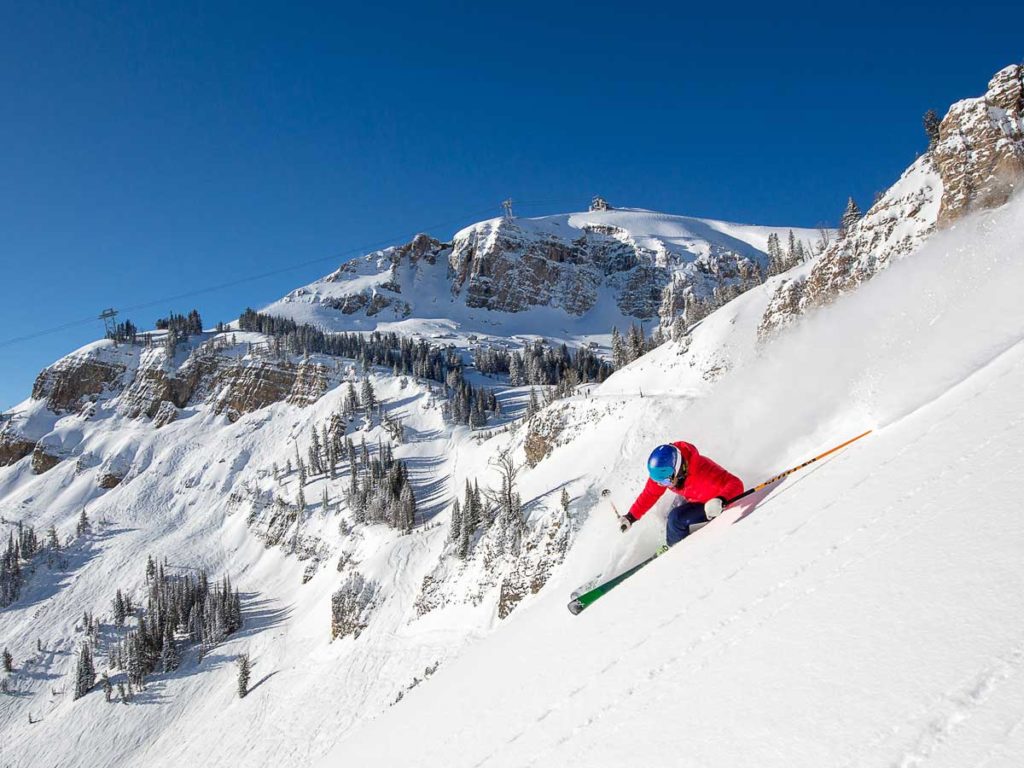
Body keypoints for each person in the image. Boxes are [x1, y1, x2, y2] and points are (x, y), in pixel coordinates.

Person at [619, 441, 744, 546]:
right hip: (694, 498)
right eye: (658, 481)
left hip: (713, 505)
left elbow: (736, 483)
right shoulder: (664, 475)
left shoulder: (705, 472)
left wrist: (721, 499)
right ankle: (676, 537)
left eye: (664, 481)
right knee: (666, 514)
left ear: (679, 469)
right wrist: (631, 517)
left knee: (675, 519)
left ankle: (676, 550)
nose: (661, 484)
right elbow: (650, 493)